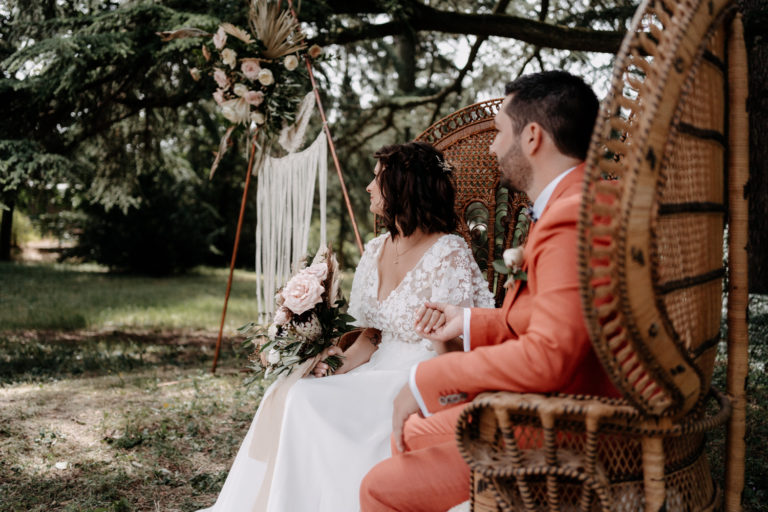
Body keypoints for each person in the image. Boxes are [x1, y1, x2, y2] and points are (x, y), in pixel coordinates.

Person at [359, 71, 621, 512]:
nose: (492, 147)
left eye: (499, 132)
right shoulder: (580, 200)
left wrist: (426, 380)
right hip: (558, 404)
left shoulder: (572, 215)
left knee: (378, 487)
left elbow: (551, 355)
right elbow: (559, 318)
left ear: (532, 137)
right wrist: (465, 321)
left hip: (567, 423)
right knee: (410, 435)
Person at [197, 141, 494, 512]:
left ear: (402, 187)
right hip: (374, 367)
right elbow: (372, 335)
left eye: (377, 179)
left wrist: (436, 345)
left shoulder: (449, 251)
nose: (369, 187)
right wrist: (336, 364)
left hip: (419, 376)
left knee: (311, 404)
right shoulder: (375, 250)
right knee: (297, 390)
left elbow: (462, 351)